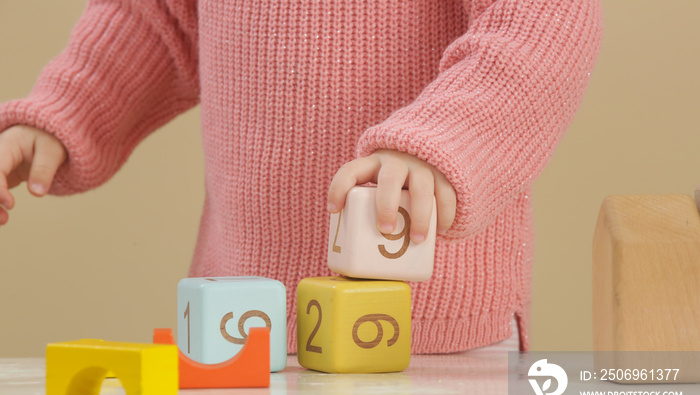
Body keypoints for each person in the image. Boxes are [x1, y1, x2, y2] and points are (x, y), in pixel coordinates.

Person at [0, 0, 603, 354]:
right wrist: (65, 111)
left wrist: (445, 141)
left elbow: (540, 26)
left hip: (431, 329)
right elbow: (157, 18)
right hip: (237, 325)